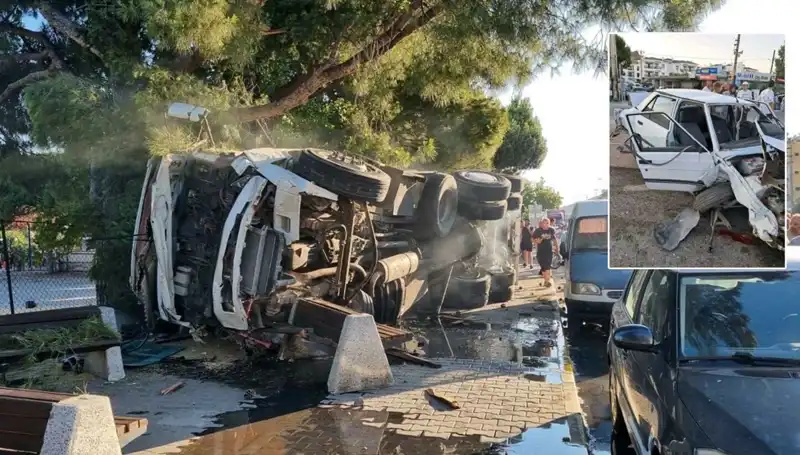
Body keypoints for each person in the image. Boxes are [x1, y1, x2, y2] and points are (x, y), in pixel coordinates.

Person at [532, 217, 558, 287]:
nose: (545, 224)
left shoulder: (551, 230)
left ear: (549, 224)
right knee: (543, 267)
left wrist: (557, 249)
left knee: (548, 266)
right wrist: (536, 241)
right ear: (542, 223)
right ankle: (546, 280)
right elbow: (532, 238)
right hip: (540, 251)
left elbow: (554, 240)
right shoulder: (538, 231)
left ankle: (547, 281)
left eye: (547, 223)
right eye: (544, 223)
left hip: (549, 251)